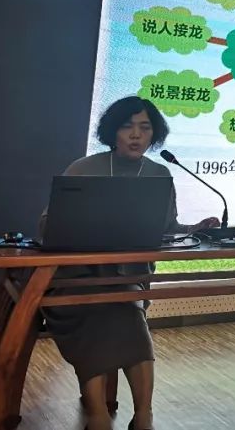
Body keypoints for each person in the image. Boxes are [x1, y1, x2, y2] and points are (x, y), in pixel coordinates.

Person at [40, 96, 219, 430]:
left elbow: (166, 229)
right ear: (113, 131)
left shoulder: (159, 174)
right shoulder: (83, 168)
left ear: (154, 134)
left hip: (127, 281)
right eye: (127, 127)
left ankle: (143, 416)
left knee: (127, 313)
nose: (136, 135)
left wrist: (195, 228)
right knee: (100, 314)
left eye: (145, 128)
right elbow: (47, 225)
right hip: (75, 281)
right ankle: (97, 414)